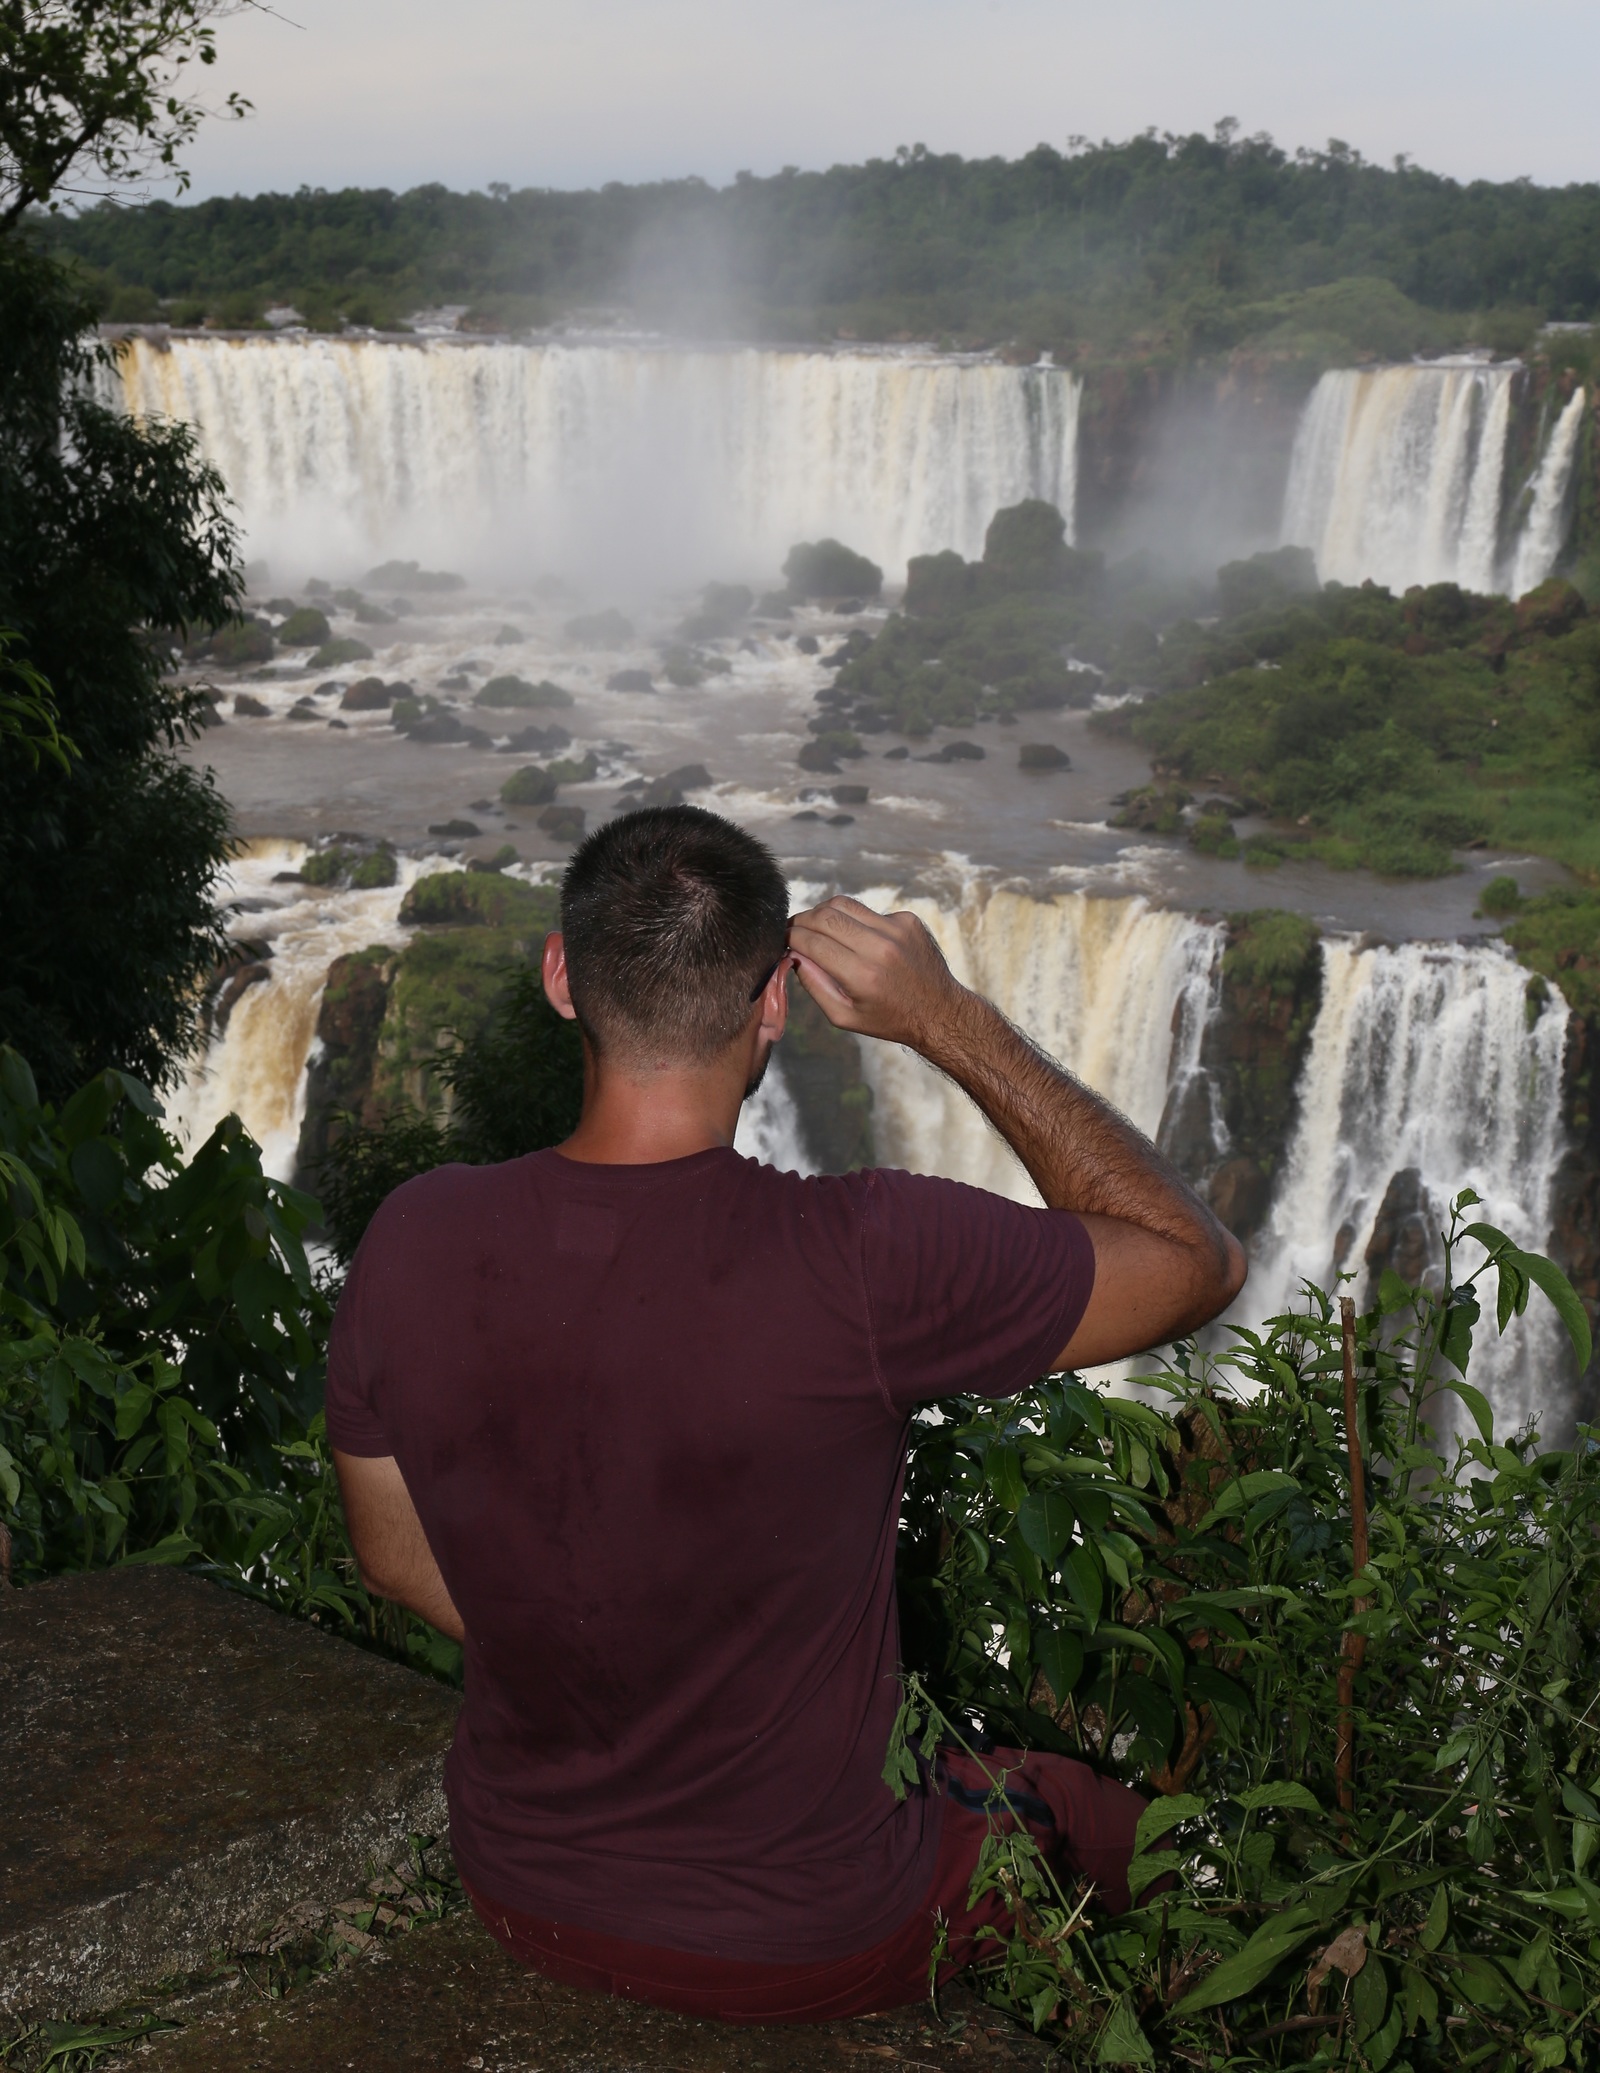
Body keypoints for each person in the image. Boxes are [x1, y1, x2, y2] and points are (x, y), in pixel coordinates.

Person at [327, 805, 1245, 2023]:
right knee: (1090, 1818)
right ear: (776, 1002)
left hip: (519, 1884)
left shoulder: (414, 1236)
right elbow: (1195, 1262)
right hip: (814, 1929)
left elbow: (393, 1562)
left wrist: (610, 1665)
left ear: (561, 977)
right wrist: (947, 1021)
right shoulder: (863, 1257)